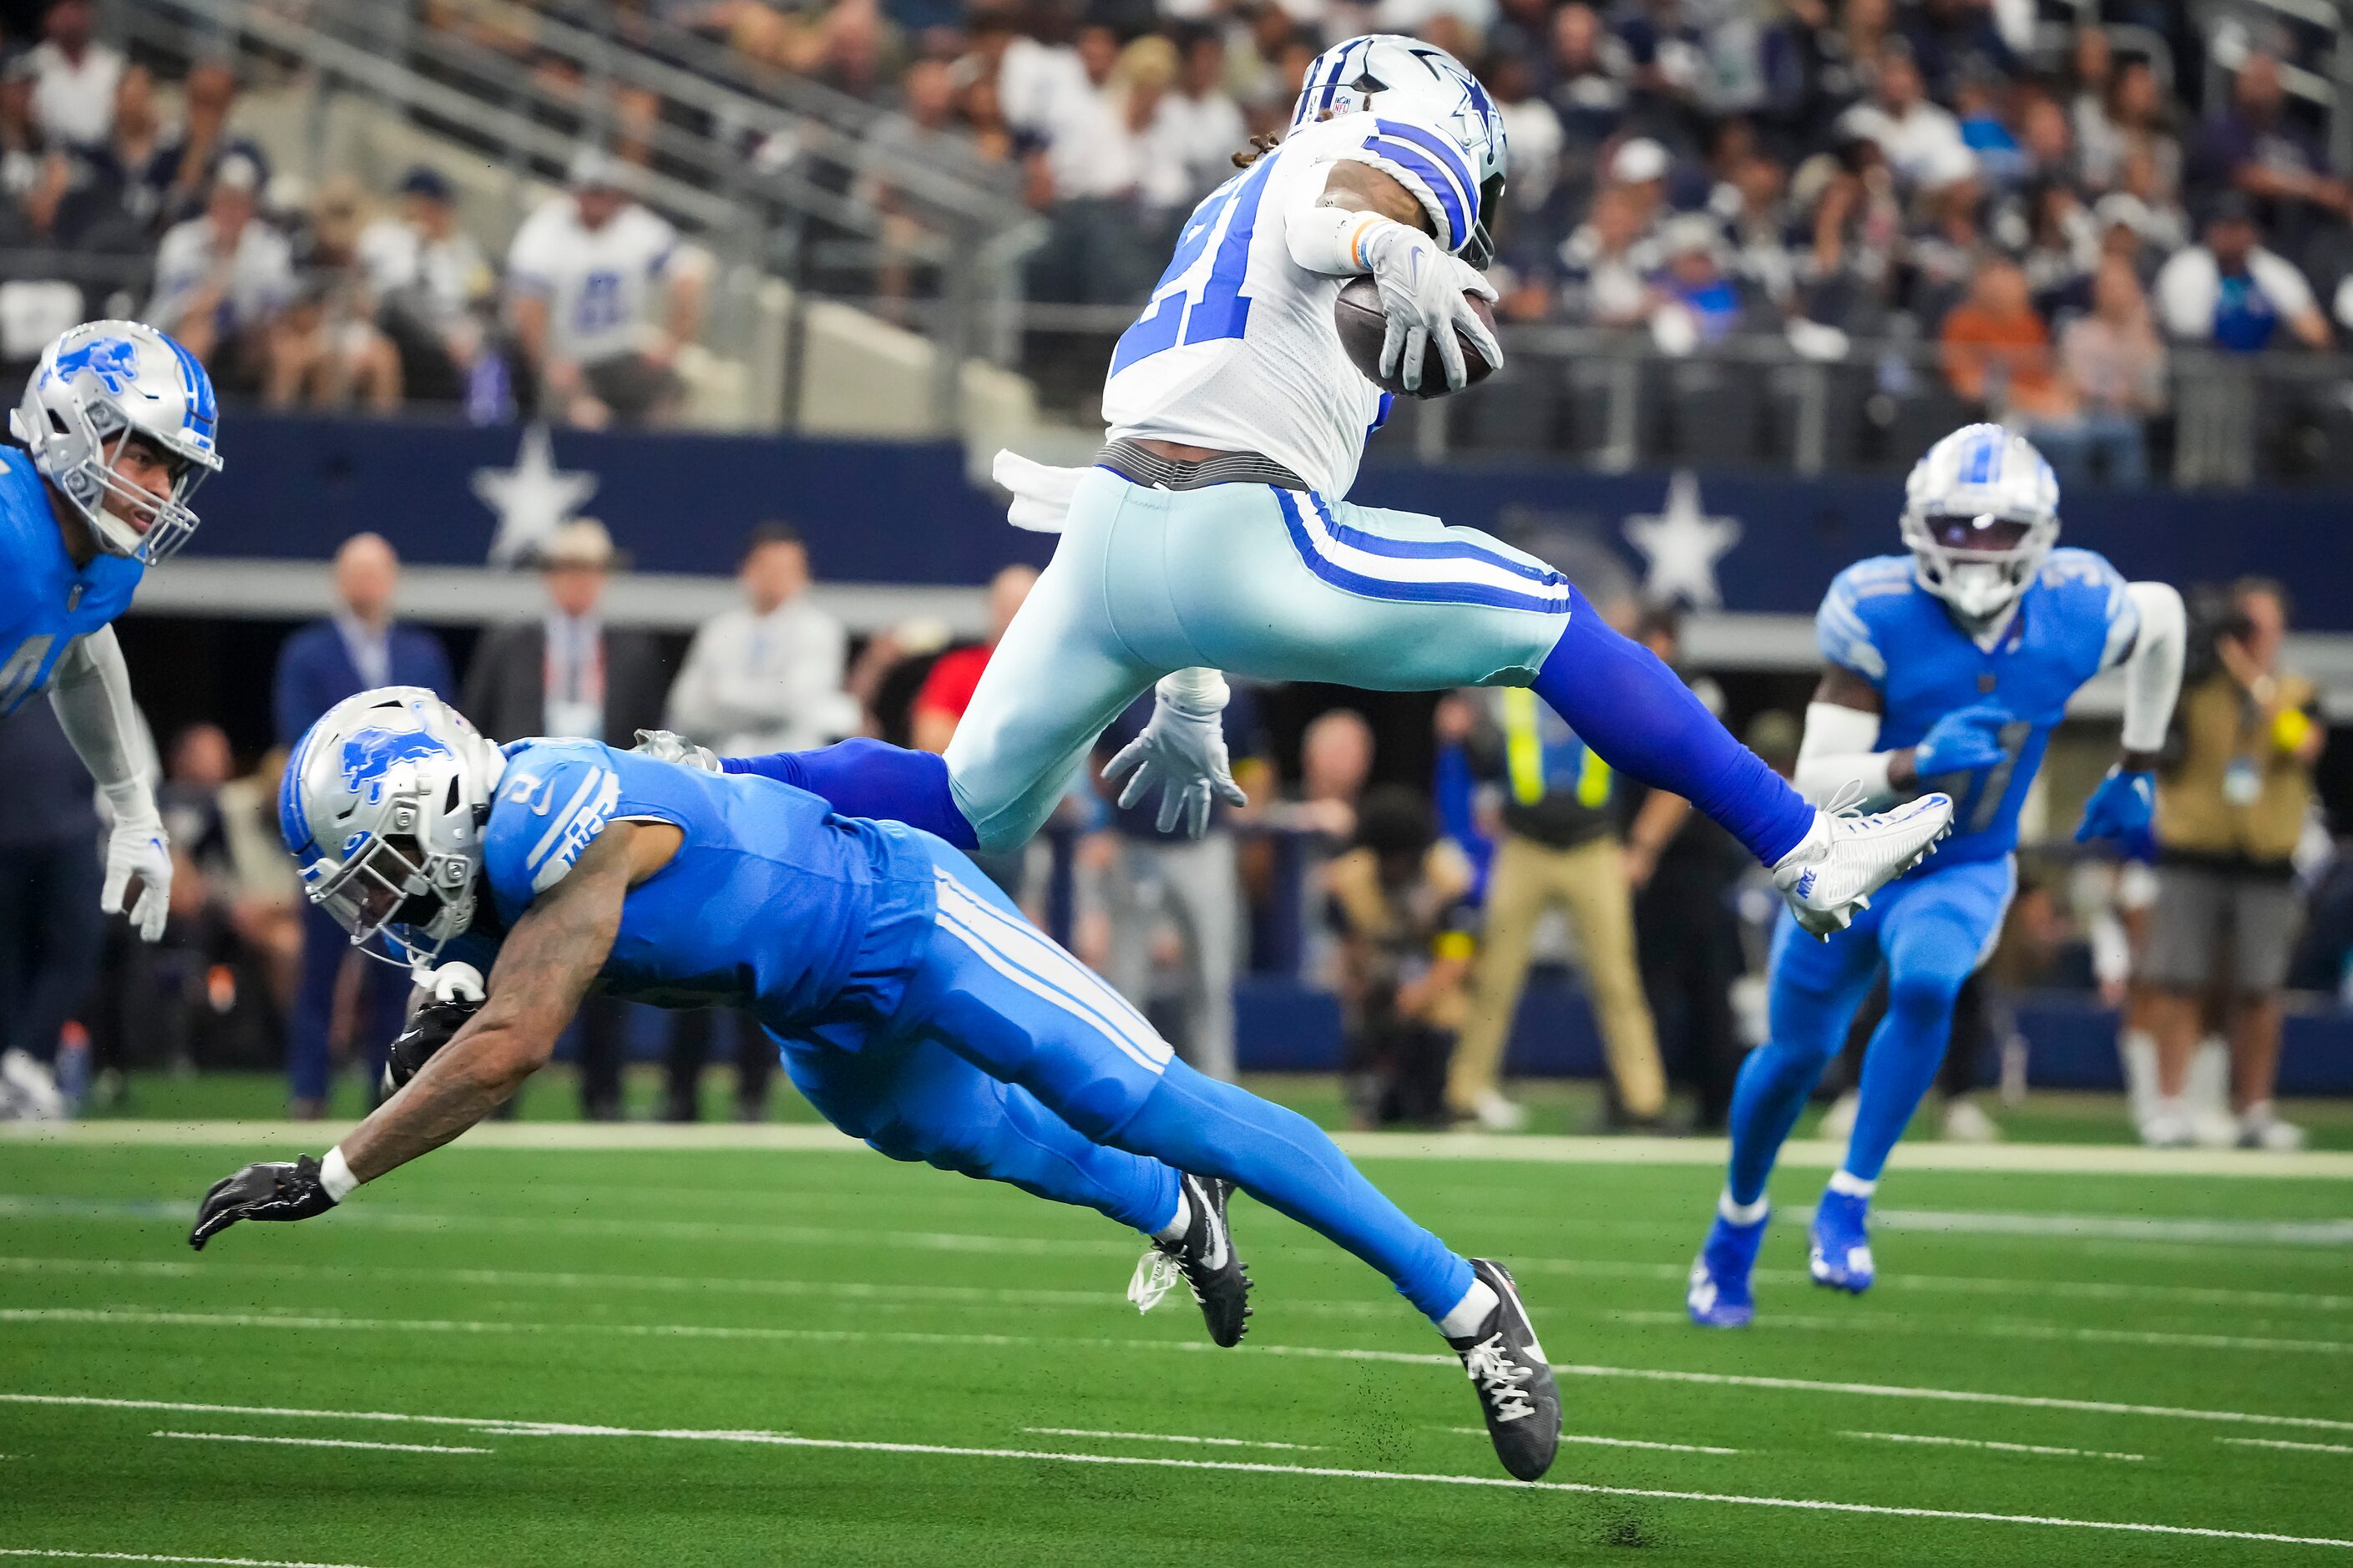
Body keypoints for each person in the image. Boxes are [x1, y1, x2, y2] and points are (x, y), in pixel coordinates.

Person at [190, 687, 1565, 1483]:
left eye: (376, 863)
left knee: (1144, 1093)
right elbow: (490, 968)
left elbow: (515, 1041)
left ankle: (1464, 1296)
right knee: (952, 1133)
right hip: (811, 1006)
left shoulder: (559, 813)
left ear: (438, 809)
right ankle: (1173, 1211)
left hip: (900, 915)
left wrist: (333, 1168)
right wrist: (442, 987)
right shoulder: (493, 859)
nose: (371, 899)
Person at [815, 33, 1951, 960]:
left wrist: (1188, 685)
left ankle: (684, 783)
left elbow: (1204, 402)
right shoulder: (1371, 145)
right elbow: (1339, 214)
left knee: (966, 806)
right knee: (1546, 614)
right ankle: (1801, 845)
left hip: (1114, 527)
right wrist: (1383, 241)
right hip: (1234, 526)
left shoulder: (1229, 202)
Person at [1686, 425, 2185, 1329]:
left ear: (2039, 534)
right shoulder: (1875, 609)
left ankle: (1847, 1197)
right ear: (1921, 525)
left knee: (1928, 984)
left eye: (2001, 530)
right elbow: (1811, 783)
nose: (1979, 548)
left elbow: (2166, 618)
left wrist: (2137, 761)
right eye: (1960, 527)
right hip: (1846, 860)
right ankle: (1736, 1221)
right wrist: (1910, 762)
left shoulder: (2077, 604)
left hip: (1962, 862)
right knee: (1794, 1054)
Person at [0, 320, 220, 968]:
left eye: (173, 470)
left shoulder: (100, 562)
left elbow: (81, 653)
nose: (159, 490)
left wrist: (133, 809)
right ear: (72, 429)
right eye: (143, 456)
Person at [463, 518, 673, 1120]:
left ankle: (602, 1093)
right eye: (566, 569)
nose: (577, 583)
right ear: (550, 578)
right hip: (521, 816)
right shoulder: (510, 642)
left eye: (588, 571)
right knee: (507, 960)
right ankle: (495, 1094)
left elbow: (652, 737)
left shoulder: (632, 648)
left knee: (608, 951)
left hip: (607, 816)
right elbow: (478, 724)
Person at [2137, 579, 2325, 1151]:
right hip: (2193, 853)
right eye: (2243, 624)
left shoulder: (2294, 692)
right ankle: (2170, 1106)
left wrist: (2255, 683)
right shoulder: (2196, 689)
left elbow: (2305, 746)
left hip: (2265, 859)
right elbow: (2162, 749)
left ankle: (2256, 1109)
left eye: (2262, 626)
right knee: (2178, 981)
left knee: (2261, 989)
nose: (2250, 637)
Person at [272, 532, 455, 1116]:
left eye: (377, 573)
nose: (367, 585)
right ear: (339, 580)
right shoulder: (307, 653)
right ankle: (308, 1088)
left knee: (396, 971)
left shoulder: (421, 652)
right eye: (357, 573)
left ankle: (388, 1084)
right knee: (322, 968)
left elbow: (443, 738)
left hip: (406, 842)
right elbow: (299, 736)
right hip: (334, 839)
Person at [1442, 665, 1667, 1134]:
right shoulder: (1511, 688)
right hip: (1525, 844)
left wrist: (1636, 842)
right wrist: (1461, 736)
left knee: (1617, 978)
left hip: (1594, 844)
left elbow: (1642, 754)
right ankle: (1464, 1094)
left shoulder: (1608, 682)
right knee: (1495, 974)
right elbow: (1488, 761)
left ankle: (1644, 1101)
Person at [505, 149, 706, 427]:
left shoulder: (634, 227)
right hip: (566, 357)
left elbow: (688, 277)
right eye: (590, 192)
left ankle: (656, 467)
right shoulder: (547, 230)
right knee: (583, 418)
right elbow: (527, 308)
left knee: (670, 397)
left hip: (619, 353)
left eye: (603, 193)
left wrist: (672, 344)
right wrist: (549, 365)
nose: (596, 202)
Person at [665, 523, 857, 757]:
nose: (777, 577)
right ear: (747, 569)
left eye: (787, 569)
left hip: (791, 766)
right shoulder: (719, 630)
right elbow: (685, 709)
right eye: (769, 567)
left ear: (804, 575)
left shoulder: (820, 630)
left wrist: (724, 694)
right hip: (724, 764)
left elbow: (793, 702)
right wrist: (760, 706)